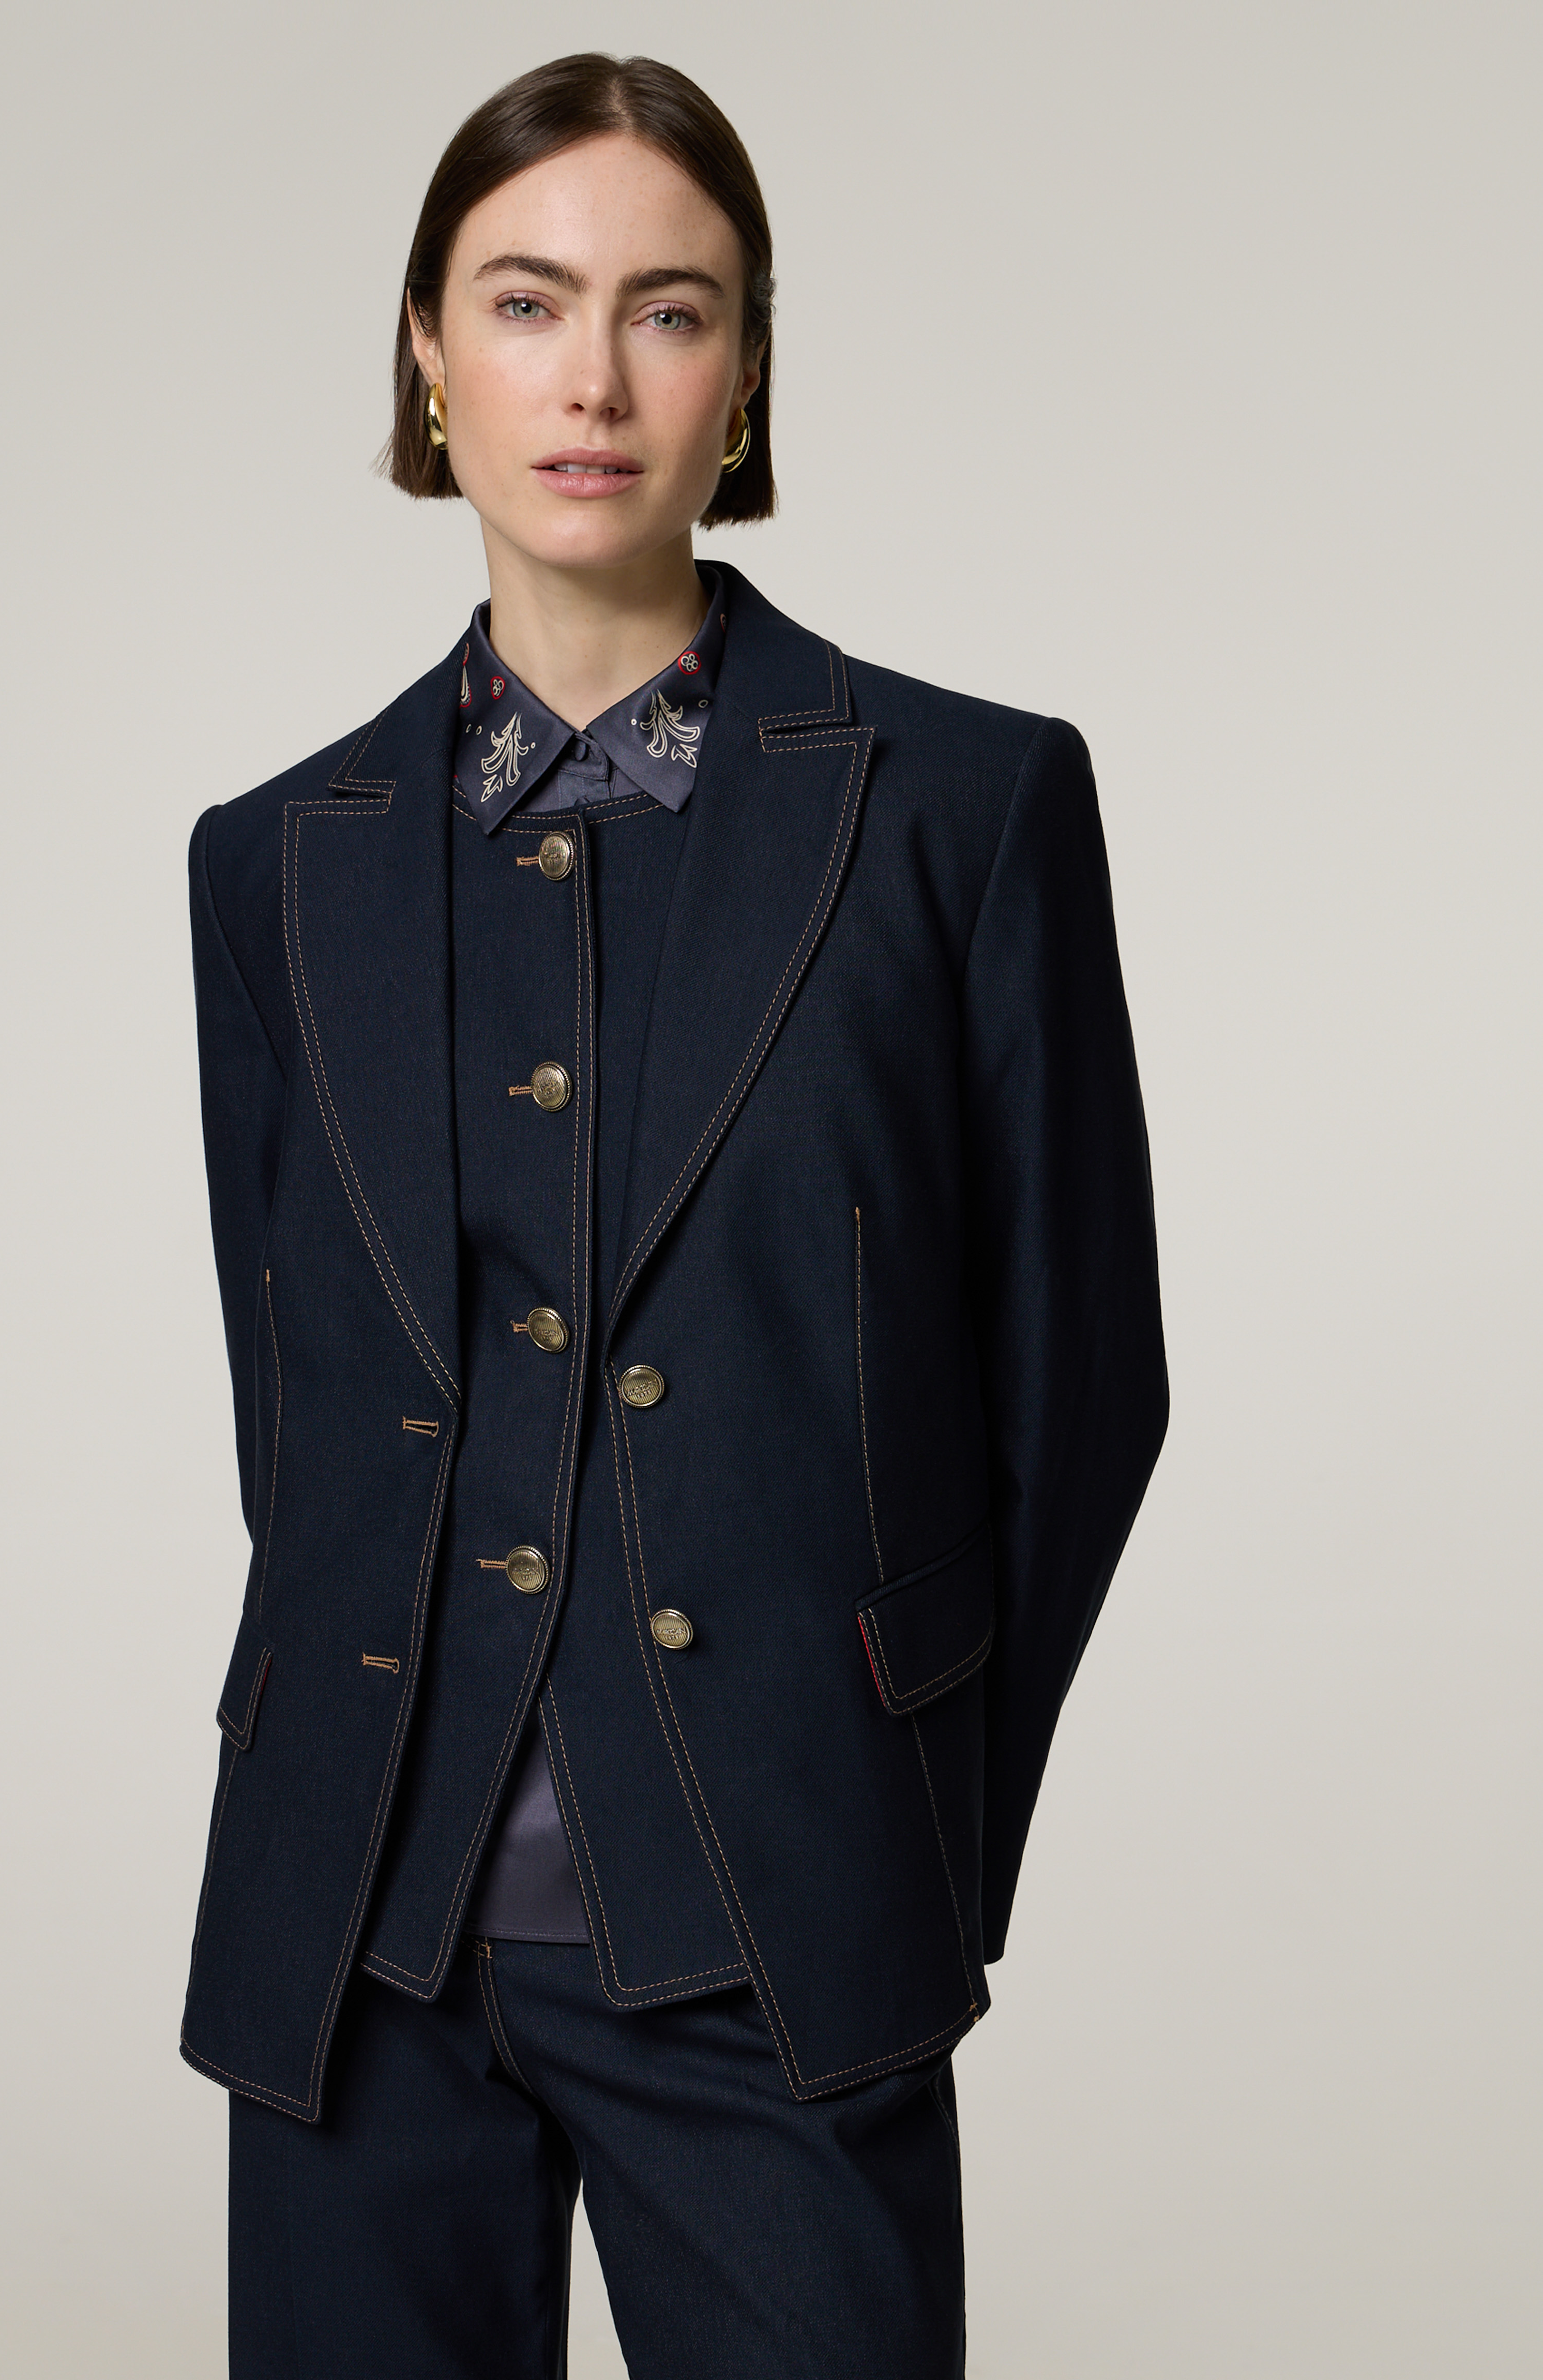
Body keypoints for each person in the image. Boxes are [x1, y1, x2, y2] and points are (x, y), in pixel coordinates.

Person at [179, 50, 1167, 2380]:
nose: (594, 380)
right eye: (526, 302)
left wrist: (898, 1819)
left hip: (776, 1914)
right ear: (429, 353)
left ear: (745, 371)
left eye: (669, 309)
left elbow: (1080, 1387)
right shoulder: (272, 861)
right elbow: (294, 1409)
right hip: (357, 1931)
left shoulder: (963, 806)